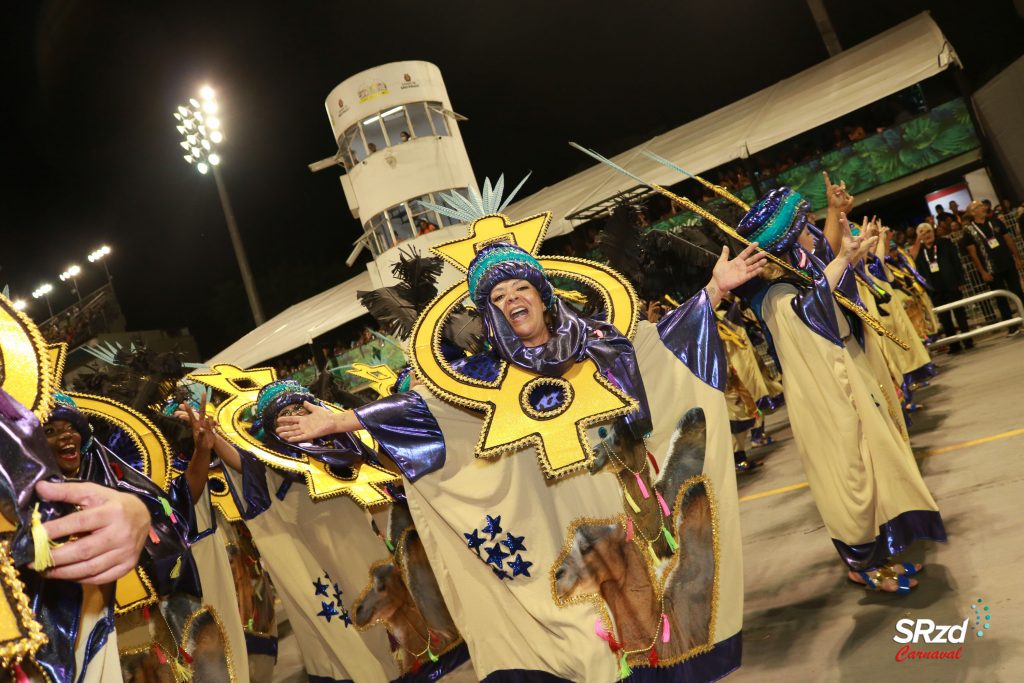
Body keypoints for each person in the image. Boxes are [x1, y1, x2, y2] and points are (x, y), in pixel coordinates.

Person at [278, 204, 765, 680]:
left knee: (652, 627)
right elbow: (425, 414)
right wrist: (337, 422)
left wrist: (715, 289)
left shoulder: (601, 344)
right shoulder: (479, 381)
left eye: (520, 287)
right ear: (489, 314)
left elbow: (661, 350)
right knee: (586, 649)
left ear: (542, 294)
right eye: (497, 297)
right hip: (553, 536)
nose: (511, 299)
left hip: (625, 518)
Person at [733, 188, 945, 594]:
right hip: (823, 397)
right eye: (806, 227)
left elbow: (826, 289)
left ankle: (881, 551)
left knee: (875, 463)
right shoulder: (776, 295)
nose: (815, 233)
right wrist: (846, 256)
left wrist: (854, 254)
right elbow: (811, 308)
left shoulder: (799, 275)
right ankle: (862, 563)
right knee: (850, 475)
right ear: (793, 237)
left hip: (848, 376)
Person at [961, 199, 1024, 335]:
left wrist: (1017, 258)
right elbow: (973, 255)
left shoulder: (995, 221)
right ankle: (1012, 326)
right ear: (973, 212)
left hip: (1007, 263)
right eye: (979, 206)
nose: (983, 207)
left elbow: (1008, 239)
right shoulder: (969, 231)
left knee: (1018, 291)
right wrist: (983, 272)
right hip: (991, 269)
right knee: (1001, 298)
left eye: (982, 205)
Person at [912, 223, 973, 353]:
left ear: (933, 231)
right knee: (945, 319)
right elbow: (912, 260)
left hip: (951, 284)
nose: (926, 235)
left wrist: (961, 281)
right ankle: (954, 345)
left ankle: (968, 341)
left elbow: (956, 261)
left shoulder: (945, 243)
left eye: (928, 231)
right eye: (922, 233)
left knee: (960, 314)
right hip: (934, 290)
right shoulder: (919, 251)